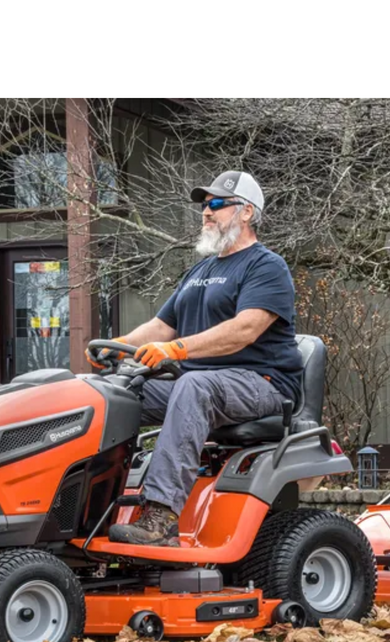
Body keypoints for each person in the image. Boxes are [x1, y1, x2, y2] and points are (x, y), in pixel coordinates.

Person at [90, 170, 303, 546]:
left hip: (261, 383)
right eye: (205, 205)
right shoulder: (200, 270)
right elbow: (162, 326)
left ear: (247, 212)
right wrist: (118, 345)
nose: (207, 212)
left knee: (193, 386)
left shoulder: (267, 266)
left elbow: (245, 329)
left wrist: (177, 350)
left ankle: (160, 519)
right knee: (109, 393)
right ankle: (89, 508)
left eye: (217, 203)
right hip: (198, 382)